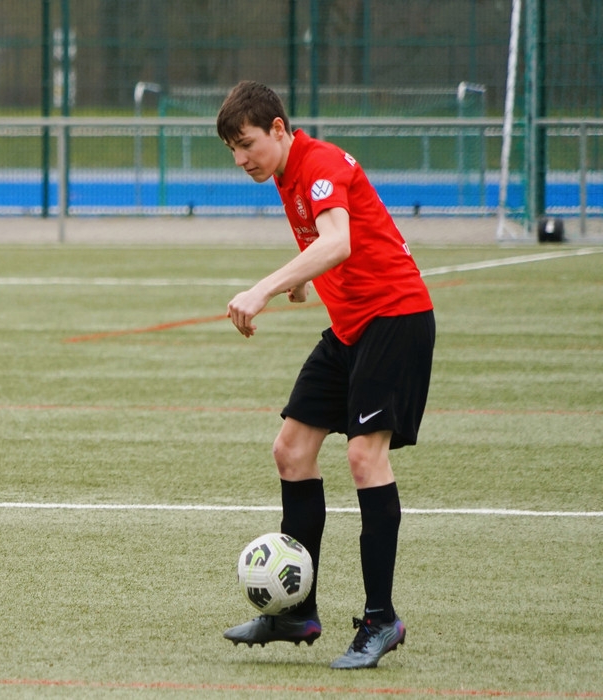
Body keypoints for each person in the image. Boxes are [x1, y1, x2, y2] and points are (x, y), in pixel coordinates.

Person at [216, 81, 435, 670]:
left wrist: (265, 287)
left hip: (395, 318)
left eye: (247, 144)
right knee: (291, 451)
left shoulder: (317, 165)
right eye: (233, 150)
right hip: (350, 327)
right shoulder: (288, 175)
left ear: (279, 129)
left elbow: (337, 239)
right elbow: (330, 238)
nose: (241, 160)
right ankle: (296, 611)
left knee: (365, 457)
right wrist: (304, 280)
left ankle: (380, 619)